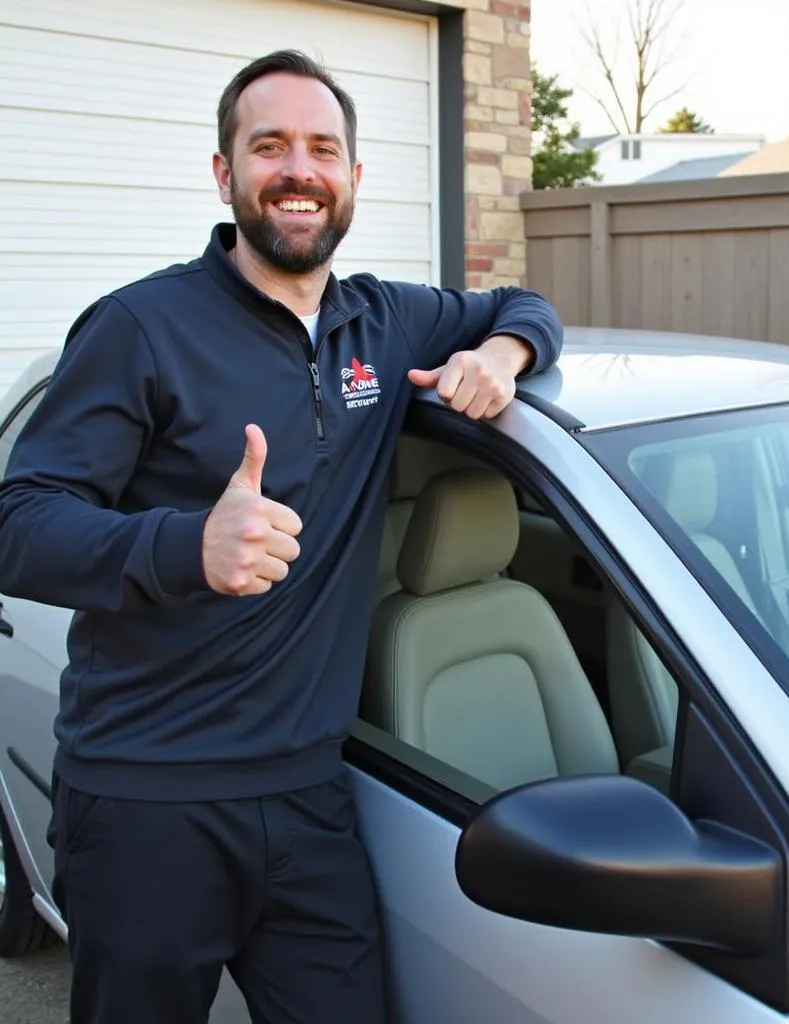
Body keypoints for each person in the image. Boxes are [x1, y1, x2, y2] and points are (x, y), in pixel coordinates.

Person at [0, 49, 562, 1024]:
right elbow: (17, 523)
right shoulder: (140, 328)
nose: (298, 169)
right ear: (226, 174)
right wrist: (184, 547)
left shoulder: (382, 321)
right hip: (147, 801)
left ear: (351, 178)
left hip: (308, 801)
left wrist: (503, 353)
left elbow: (524, 305)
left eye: (322, 149)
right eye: (270, 146)